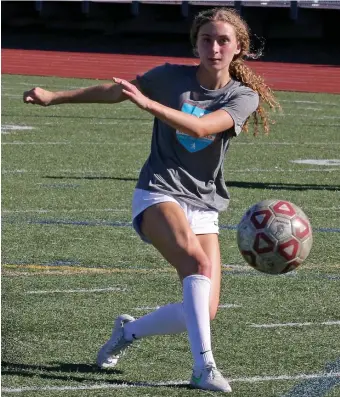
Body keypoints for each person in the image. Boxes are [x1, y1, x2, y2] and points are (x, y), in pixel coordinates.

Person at [23, 7, 280, 393]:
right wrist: (53, 96)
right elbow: (117, 92)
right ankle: (203, 369)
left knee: (204, 313)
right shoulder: (168, 76)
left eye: (223, 40)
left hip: (205, 205)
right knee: (196, 263)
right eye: (206, 39)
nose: (214, 46)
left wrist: (150, 106)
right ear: (195, 43)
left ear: (239, 47)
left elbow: (203, 127)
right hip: (158, 191)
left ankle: (129, 331)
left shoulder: (243, 97)